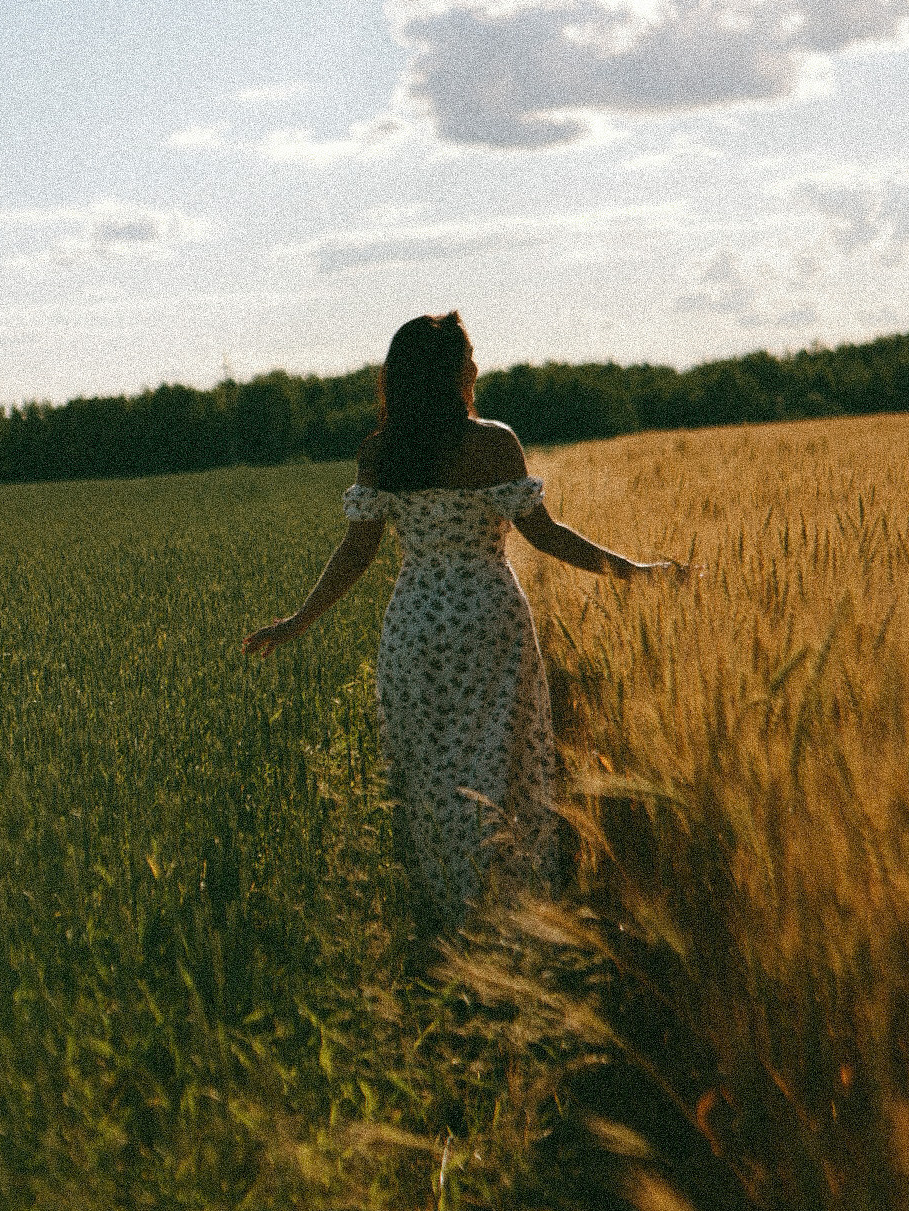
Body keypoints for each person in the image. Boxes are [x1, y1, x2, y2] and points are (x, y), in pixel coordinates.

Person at [243, 312, 689, 930]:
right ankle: (515, 902)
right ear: (456, 373)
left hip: (416, 626)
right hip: (489, 619)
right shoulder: (495, 444)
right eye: (469, 358)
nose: (476, 367)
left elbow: (357, 552)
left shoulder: (380, 454)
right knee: (501, 762)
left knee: (428, 770)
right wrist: (635, 571)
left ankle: (446, 909)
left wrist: (300, 618)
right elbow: (547, 537)